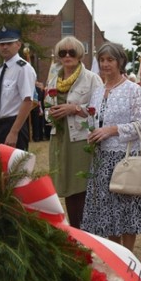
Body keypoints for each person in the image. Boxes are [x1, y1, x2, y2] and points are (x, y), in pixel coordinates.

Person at [81, 42, 141, 251]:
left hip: (124, 158)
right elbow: (94, 119)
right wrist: (92, 134)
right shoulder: (98, 91)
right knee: (107, 211)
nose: (105, 64)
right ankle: (115, 256)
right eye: (102, 60)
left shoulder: (133, 90)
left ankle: (129, 256)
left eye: (110, 60)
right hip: (101, 159)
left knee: (127, 209)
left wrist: (112, 130)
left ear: (120, 62)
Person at [47, 36, 102, 229]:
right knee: (63, 185)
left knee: (79, 186)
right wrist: (50, 113)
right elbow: (46, 108)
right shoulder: (54, 78)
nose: (67, 56)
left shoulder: (92, 78)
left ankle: (83, 229)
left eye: (72, 52)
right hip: (59, 138)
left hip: (80, 139)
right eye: (63, 53)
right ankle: (73, 228)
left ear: (80, 55)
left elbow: (100, 109)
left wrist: (75, 109)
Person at [0, 27, 37, 151]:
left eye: (9, 43)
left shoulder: (23, 68)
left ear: (18, 45)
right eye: (1, 44)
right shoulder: (0, 70)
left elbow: (27, 101)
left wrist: (14, 132)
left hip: (14, 124)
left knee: (15, 169)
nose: (5, 47)